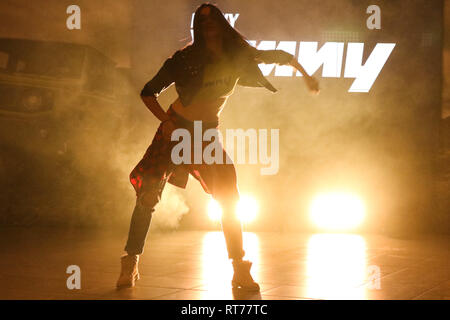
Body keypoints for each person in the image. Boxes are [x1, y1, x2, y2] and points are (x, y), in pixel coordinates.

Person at [117, 3, 319, 291]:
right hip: (176, 131)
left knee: (229, 199)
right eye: (203, 22)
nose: (209, 25)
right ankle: (131, 260)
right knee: (148, 196)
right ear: (197, 28)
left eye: (213, 20)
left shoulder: (237, 55)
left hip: (206, 135)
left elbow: (280, 57)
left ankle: (240, 269)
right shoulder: (183, 59)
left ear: (222, 25)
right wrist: (166, 122)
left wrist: (306, 75)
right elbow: (148, 92)